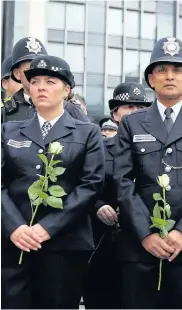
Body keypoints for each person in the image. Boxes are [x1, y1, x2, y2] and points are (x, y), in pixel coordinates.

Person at [114, 36, 182, 309]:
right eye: (161, 70)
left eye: (177, 70)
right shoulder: (131, 124)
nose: (169, 76)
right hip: (141, 249)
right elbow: (123, 182)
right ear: (151, 79)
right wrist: (146, 234)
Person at [1, 55, 105, 309]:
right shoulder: (9, 130)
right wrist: (15, 227)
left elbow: (90, 185)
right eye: (35, 81)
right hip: (15, 241)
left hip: (64, 244)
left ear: (67, 90)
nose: (41, 87)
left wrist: (46, 228)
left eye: (50, 81)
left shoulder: (87, 132)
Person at [83, 82, 151, 309]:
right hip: (106, 242)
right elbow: (83, 184)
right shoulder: (99, 147)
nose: (134, 113)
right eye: (128, 107)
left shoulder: (157, 149)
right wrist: (98, 205)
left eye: (140, 108)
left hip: (146, 242)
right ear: (115, 114)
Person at [1, 37, 89, 123]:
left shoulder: (70, 110)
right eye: (30, 70)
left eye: (42, 70)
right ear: (17, 74)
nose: (37, 75)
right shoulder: (5, 113)